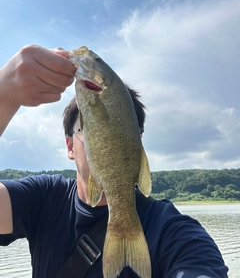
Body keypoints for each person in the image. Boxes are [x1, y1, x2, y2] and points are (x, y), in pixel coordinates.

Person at [0, 45, 229, 278]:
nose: (106, 136)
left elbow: (199, 268)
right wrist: (4, 95)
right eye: (86, 129)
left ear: (136, 145)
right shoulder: (42, 198)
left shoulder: (173, 230)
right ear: (70, 146)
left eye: (122, 133)